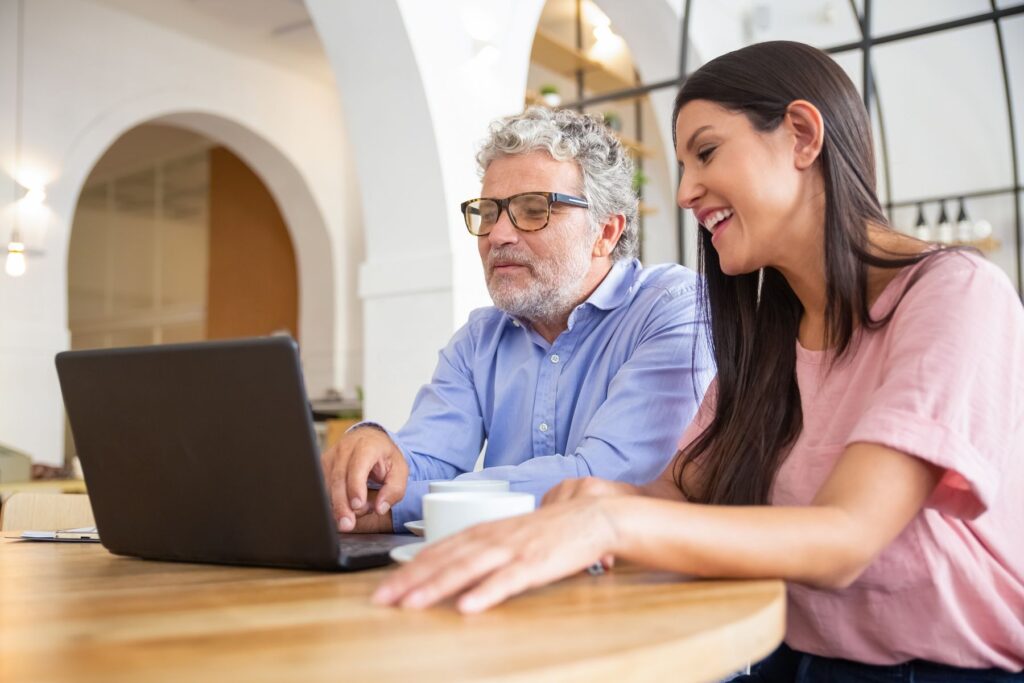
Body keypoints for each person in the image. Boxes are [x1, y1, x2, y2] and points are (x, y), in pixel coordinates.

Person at [373, 41, 1024, 680]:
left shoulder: (953, 291)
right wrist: (600, 496)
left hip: (942, 668)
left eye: (706, 152)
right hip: (784, 651)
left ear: (801, 135)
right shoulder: (770, 329)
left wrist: (609, 519)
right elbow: (679, 490)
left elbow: (847, 539)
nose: (685, 192)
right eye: (683, 165)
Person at [321, 106, 713, 534]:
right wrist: (375, 457)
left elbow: (607, 477)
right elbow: (425, 459)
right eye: (488, 212)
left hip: (633, 588)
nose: (497, 235)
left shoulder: (674, 308)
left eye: (532, 210)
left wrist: (395, 506)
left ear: (605, 233)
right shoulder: (478, 339)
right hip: (498, 580)